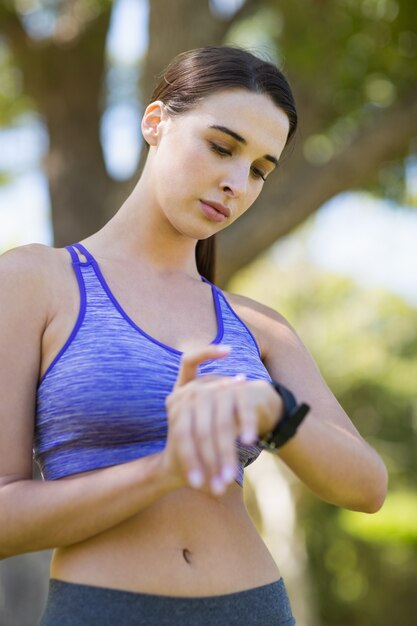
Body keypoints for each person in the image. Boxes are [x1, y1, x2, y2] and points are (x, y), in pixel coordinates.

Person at [0, 46, 388, 626]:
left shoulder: (257, 324)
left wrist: (273, 410)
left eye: (259, 169)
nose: (236, 182)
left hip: (254, 608)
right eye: (221, 147)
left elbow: (367, 487)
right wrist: (165, 469)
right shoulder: (34, 280)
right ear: (155, 123)